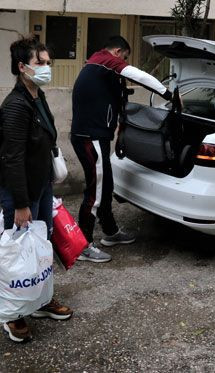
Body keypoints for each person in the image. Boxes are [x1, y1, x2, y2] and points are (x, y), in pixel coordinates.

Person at [0, 35, 73, 343]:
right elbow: (12, 158)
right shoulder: (16, 105)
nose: (47, 67)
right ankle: (13, 315)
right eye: (40, 63)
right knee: (18, 251)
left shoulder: (37, 97)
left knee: (41, 244)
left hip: (41, 185)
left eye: (48, 62)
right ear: (22, 67)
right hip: (21, 191)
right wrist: (21, 204)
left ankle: (41, 300)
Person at [71, 36, 174, 262]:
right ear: (118, 52)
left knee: (106, 184)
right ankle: (83, 246)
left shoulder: (96, 63)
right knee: (95, 192)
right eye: (125, 57)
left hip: (95, 135)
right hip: (90, 137)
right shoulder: (106, 61)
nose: (124, 62)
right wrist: (169, 95)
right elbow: (139, 75)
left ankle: (110, 232)